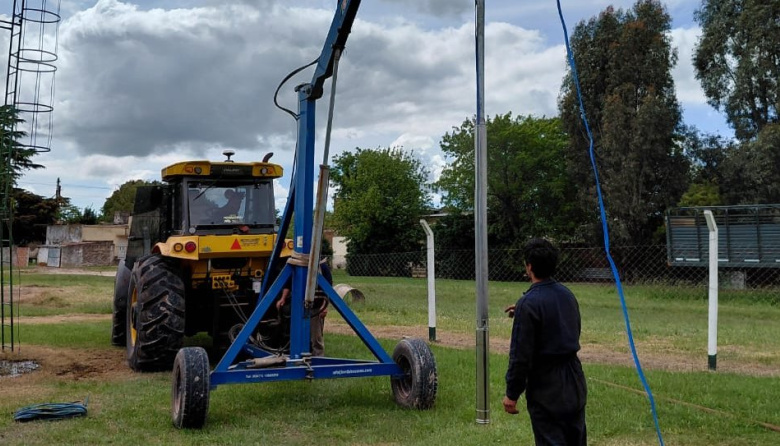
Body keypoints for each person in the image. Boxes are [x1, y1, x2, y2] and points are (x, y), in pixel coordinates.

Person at [503, 238, 587, 446]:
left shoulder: (529, 303)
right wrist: (523, 311)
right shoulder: (567, 295)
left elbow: (520, 356)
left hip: (547, 387)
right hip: (574, 381)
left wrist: (512, 394)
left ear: (529, 266)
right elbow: (564, 324)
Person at [275, 259, 332, 356]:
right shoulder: (297, 264)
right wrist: (283, 298)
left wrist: (324, 306)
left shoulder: (322, 267)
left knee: (316, 337)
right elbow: (289, 283)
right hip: (298, 307)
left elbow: (328, 288)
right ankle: (296, 355)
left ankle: (318, 357)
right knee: (296, 334)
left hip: (316, 308)